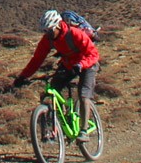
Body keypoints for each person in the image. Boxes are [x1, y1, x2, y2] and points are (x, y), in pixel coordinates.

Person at [12, 9, 100, 139]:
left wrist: (81, 65)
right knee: (52, 90)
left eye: (50, 30)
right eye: (45, 31)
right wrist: (23, 76)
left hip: (88, 64)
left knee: (83, 95)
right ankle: (54, 126)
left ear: (58, 25)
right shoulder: (48, 39)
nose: (47, 34)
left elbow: (93, 54)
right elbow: (37, 59)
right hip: (69, 64)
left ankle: (84, 131)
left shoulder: (74, 33)